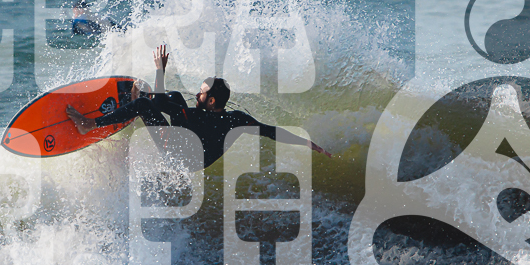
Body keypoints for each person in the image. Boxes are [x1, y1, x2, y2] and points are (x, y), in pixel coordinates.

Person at [66, 45, 332, 169]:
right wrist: (308, 143)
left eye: (201, 92)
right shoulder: (235, 119)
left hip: (180, 156)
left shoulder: (199, 117)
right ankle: (136, 102)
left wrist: (160, 70)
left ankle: (90, 123)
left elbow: (161, 104)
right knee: (172, 97)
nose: (197, 93)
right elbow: (271, 131)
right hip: (194, 157)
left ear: (212, 100)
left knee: (150, 103)